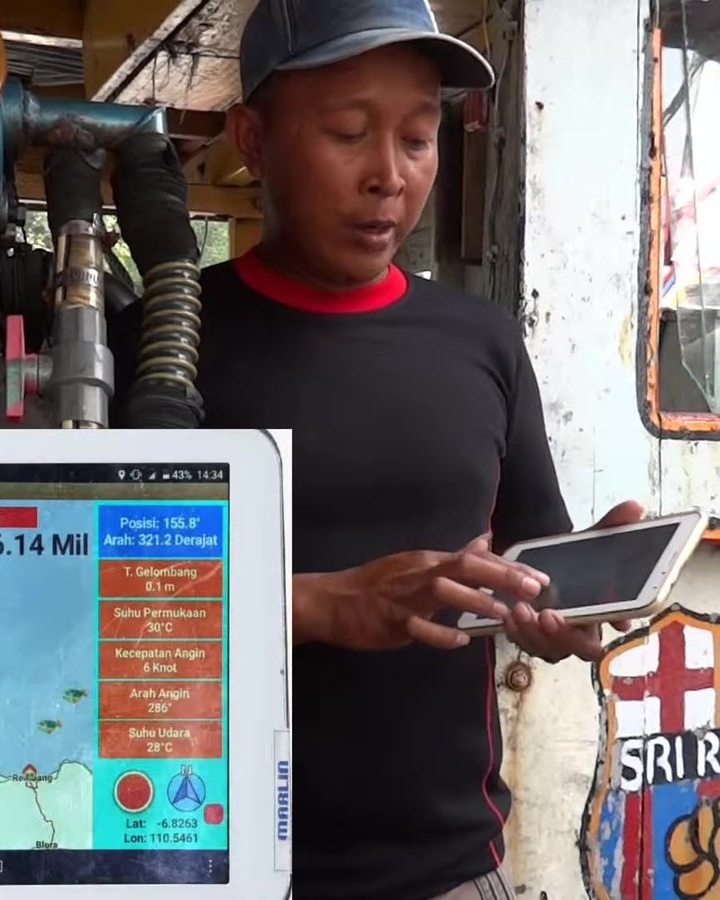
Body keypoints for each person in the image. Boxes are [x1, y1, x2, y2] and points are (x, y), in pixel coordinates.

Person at [111, 1, 643, 897]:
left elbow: (526, 560)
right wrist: (320, 604)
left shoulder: (483, 344)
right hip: (209, 867)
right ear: (253, 137)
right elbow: (102, 614)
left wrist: (564, 607)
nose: (389, 177)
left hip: (449, 872)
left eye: (419, 138)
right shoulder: (161, 343)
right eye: (349, 133)